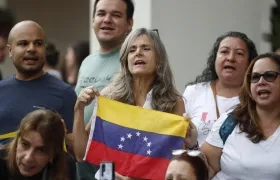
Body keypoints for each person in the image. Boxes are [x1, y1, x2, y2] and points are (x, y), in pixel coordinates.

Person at [74, 28, 197, 179]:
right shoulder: (110, 96)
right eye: (132, 50)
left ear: (159, 59)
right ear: (126, 60)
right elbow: (80, 154)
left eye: (146, 48)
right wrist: (79, 110)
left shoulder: (173, 102)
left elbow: (177, 162)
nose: (138, 53)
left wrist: (191, 142)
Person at [74, 0, 134, 179]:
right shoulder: (87, 62)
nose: (107, 20)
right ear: (93, 20)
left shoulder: (133, 61)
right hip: (83, 168)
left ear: (129, 23)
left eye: (116, 15)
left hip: (116, 169)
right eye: (101, 14)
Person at [0, 21, 77, 153]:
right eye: (23, 43)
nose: (31, 49)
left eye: (38, 43)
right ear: (10, 50)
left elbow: (76, 152)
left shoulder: (65, 94)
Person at [201, 52, 280, 179]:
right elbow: (205, 167)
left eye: (269, 76)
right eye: (254, 77)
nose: (261, 82)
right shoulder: (230, 121)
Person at [183, 31, 258, 145]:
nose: (231, 58)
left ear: (250, 63)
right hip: (196, 161)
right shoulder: (194, 92)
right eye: (224, 51)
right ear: (215, 59)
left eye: (239, 53)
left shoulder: (256, 98)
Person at [0, 109, 69, 179]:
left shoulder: (66, 166)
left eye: (41, 150)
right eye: (25, 145)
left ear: (54, 153)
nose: (28, 158)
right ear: (17, 141)